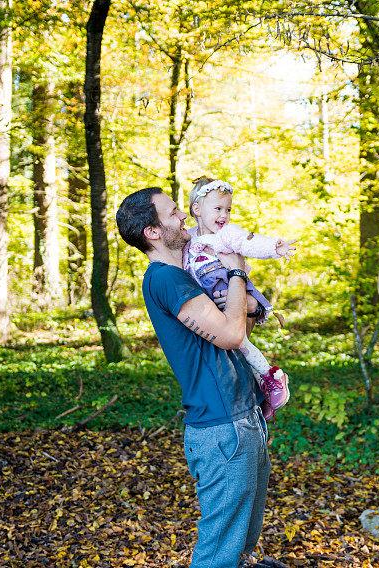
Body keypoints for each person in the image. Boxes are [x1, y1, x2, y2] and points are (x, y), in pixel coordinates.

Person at [116, 186, 270, 568]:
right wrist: (236, 268)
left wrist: (245, 295)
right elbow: (232, 334)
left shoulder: (189, 273)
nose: (183, 215)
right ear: (153, 232)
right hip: (222, 428)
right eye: (171, 214)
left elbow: (239, 331)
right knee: (219, 551)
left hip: (242, 415)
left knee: (240, 546)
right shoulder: (166, 280)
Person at [185, 176, 296, 421]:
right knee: (231, 352)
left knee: (240, 343)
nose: (224, 215)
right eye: (218, 209)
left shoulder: (227, 234)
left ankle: (272, 375)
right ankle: (262, 393)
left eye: (228, 209)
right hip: (208, 301)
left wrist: (274, 248)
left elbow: (250, 242)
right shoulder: (188, 237)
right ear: (196, 209)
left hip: (231, 291)